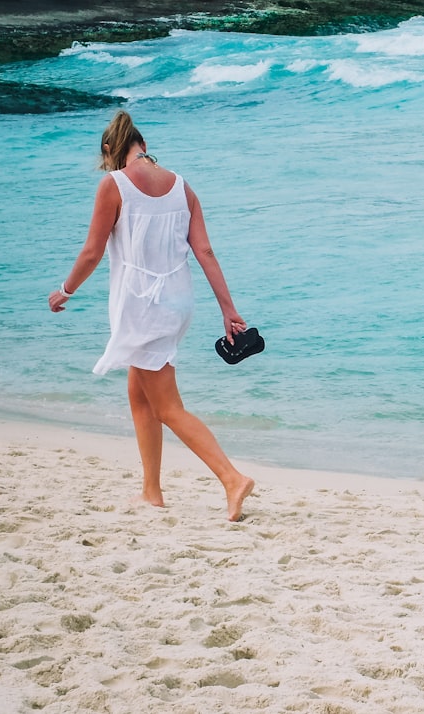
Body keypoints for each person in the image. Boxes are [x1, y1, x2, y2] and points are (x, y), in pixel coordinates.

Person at [48, 110, 255, 522]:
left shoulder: (115, 185)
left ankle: (232, 478)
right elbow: (206, 253)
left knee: (167, 406)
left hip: (142, 304)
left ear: (111, 149)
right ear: (142, 144)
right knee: (139, 395)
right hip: (178, 302)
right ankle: (151, 492)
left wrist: (66, 290)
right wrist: (228, 309)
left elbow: (92, 251)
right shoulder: (183, 187)